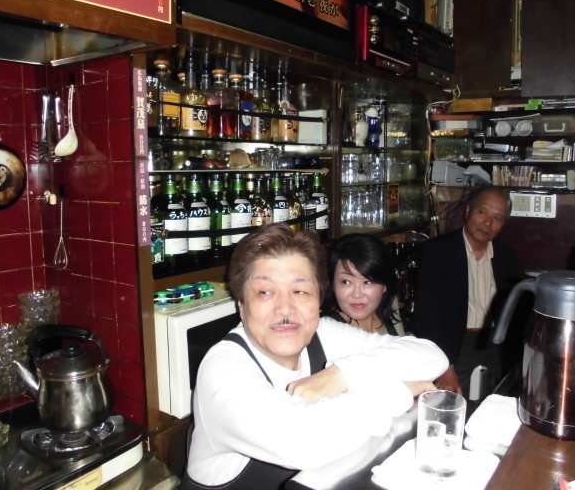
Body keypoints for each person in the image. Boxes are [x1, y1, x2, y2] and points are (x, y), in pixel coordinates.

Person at [181, 223, 448, 490]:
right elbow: (303, 442)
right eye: (265, 292)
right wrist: (400, 391)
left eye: (300, 291)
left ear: (318, 300)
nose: (285, 308)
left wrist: (341, 375)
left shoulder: (322, 333)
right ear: (241, 305)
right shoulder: (222, 369)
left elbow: (431, 355)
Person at [409, 186, 520, 396]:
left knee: (500, 401)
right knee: (451, 403)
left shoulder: (506, 256)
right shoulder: (437, 251)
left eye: (497, 218)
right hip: (454, 343)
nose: (488, 223)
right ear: (468, 211)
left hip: (495, 342)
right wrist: (446, 365)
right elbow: (427, 315)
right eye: (482, 212)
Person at [322, 233, 404, 335]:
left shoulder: (390, 309)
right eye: (346, 282)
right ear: (333, 284)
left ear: (384, 285)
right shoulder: (327, 330)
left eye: (367, 282)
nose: (357, 294)